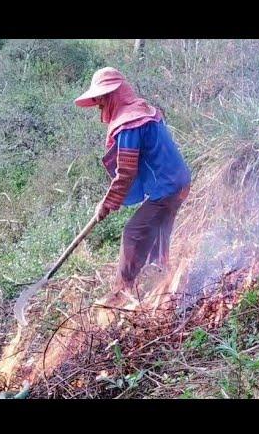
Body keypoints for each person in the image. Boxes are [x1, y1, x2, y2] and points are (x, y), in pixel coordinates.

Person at [74, 67, 191, 302]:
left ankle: (121, 292)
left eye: (101, 101)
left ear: (112, 97)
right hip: (179, 182)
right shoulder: (143, 112)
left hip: (166, 188)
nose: (99, 107)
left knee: (133, 233)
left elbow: (126, 172)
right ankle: (160, 283)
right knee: (156, 230)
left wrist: (106, 205)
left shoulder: (130, 123)